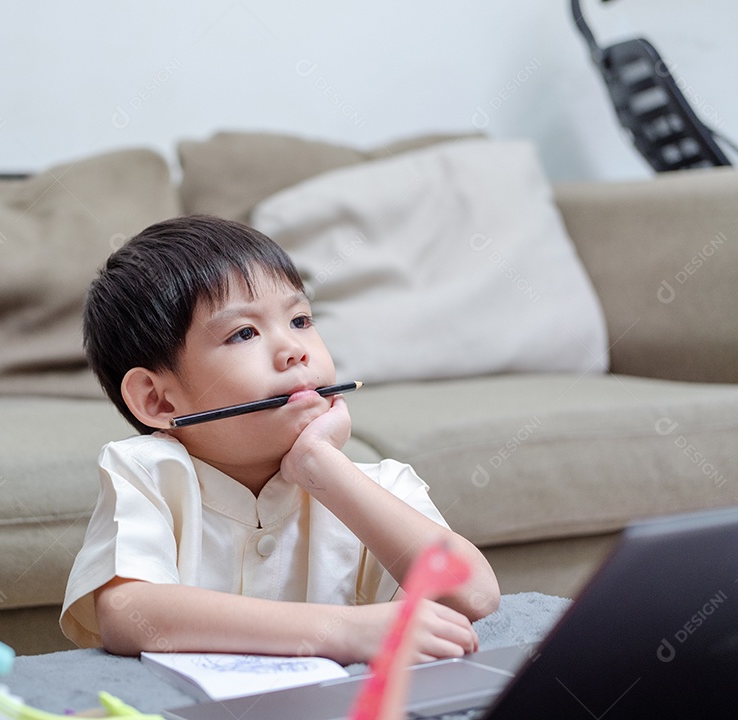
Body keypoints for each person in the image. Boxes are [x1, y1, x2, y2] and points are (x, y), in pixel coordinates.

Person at [59, 215, 500, 665]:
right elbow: (127, 611)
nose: (294, 348)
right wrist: (341, 632)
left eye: (301, 319)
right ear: (158, 400)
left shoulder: (378, 487)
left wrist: (319, 465)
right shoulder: (146, 472)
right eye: (244, 333)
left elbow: (474, 595)